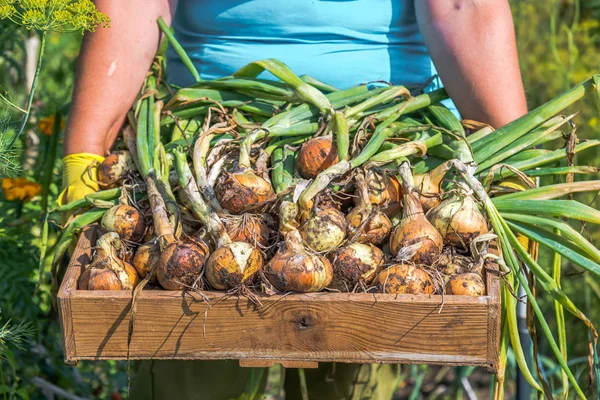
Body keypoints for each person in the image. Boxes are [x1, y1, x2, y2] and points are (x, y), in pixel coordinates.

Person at [61, 1, 528, 398]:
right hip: (213, 131)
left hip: (385, 142)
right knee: (189, 360)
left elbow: (463, 5)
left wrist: (512, 164)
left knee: (368, 347)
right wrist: (86, 146)